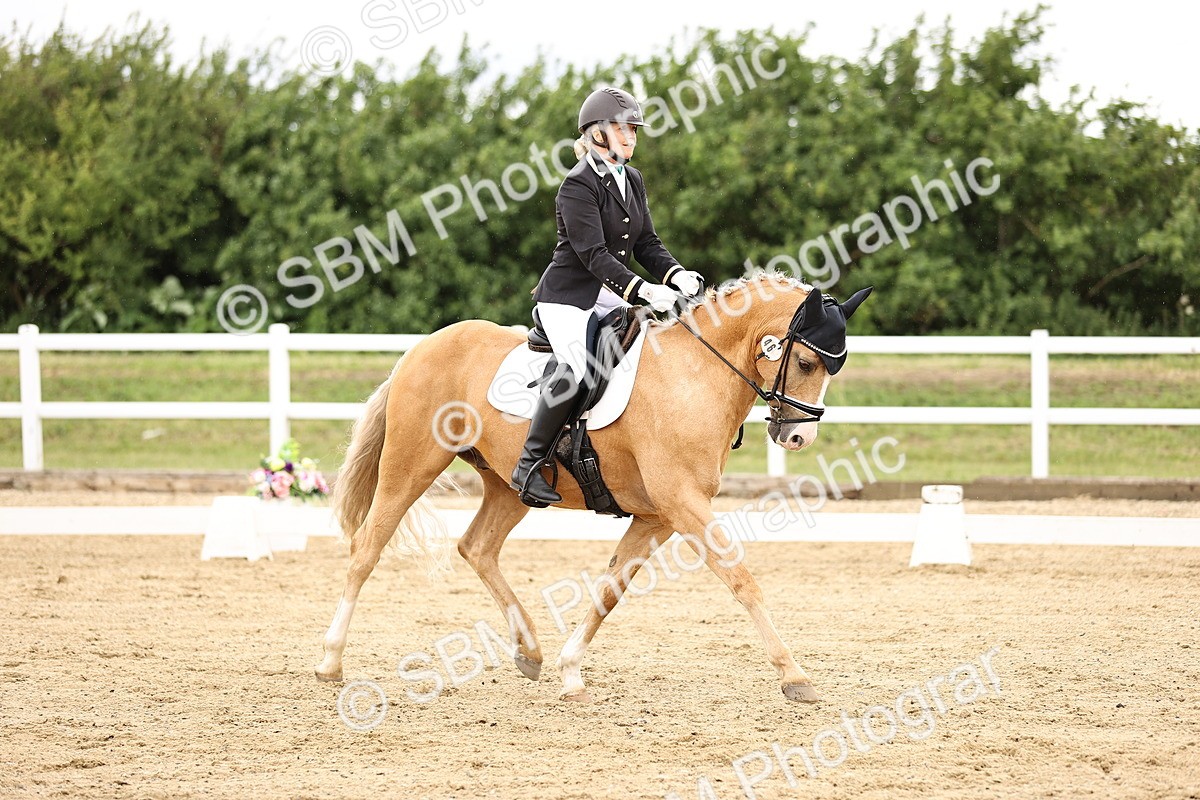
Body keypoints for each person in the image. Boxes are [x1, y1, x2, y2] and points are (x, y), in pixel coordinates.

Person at [510, 86, 704, 507]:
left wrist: (676, 273)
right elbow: (593, 255)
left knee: (649, 347)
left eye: (633, 129)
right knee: (579, 365)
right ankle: (529, 464)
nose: (631, 136)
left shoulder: (631, 179)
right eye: (621, 128)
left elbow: (647, 242)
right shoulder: (576, 186)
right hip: (568, 296)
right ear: (597, 133)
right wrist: (643, 289)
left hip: (609, 291)